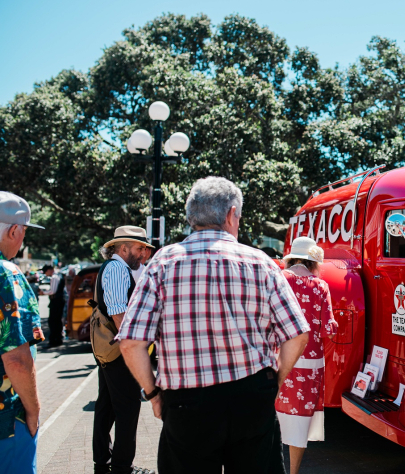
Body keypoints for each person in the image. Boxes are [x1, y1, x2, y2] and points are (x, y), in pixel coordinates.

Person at [118, 177, 310, 474]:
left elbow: (131, 343)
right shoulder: (261, 262)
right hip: (252, 395)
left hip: (187, 403)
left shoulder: (162, 263)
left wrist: (153, 393)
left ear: (191, 216)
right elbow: (297, 333)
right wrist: (276, 379)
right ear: (232, 214)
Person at [91, 226, 154, 474]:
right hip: (119, 350)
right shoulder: (117, 269)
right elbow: (119, 314)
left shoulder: (114, 268)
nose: (143, 253)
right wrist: (133, 349)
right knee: (128, 409)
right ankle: (121, 467)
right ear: (123, 247)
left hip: (108, 349)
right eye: (139, 248)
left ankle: (103, 464)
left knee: (106, 406)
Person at [275, 237, 338, 474]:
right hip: (309, 364)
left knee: (273, 416)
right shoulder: (320, 286)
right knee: (299, 422)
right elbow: (326, 329)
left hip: (279, 358)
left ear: (291, 259)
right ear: (314, 262)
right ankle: (293, 472)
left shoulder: (279, 279)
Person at [0, 191, 46, 474]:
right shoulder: (7, 273)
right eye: (24, 232)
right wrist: (33, 410)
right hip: (6, 422)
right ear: (14, 230)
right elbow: (16, 358)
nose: (23, 239)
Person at [39, 265, 64, 347]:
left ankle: (54, 339)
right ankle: (58, 338)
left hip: (56, 302)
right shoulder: (59, 275)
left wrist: (43, 292)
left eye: (46, 272)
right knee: (57, 321)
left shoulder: (54, 277)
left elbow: (53, 291)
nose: (46, 275)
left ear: (49, 270)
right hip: (59, 301)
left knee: (53, 321)